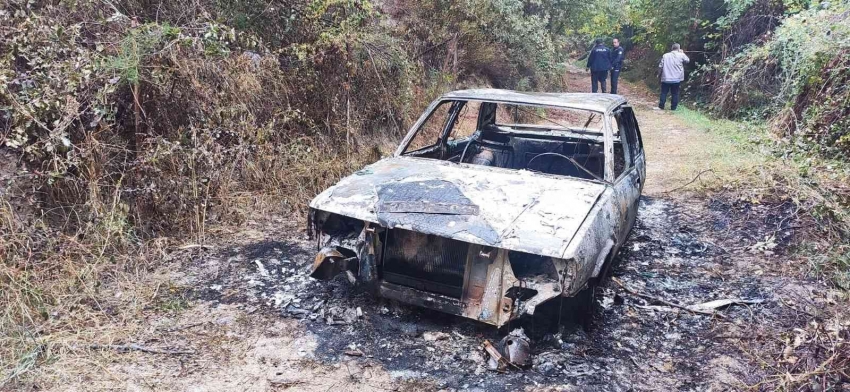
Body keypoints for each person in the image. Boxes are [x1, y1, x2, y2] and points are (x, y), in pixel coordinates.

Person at [657, 43, 690, 110]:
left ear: (672, 48)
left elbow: (660, 66)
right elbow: (687, 60)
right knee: (675, 93)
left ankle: (661, 106)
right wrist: (682, 53)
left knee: (663, 92)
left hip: (666, 78)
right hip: (676, 79)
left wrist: (659, 74)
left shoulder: (665, 55)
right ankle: (673, 108)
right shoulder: (681, 55)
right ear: (678, 48)